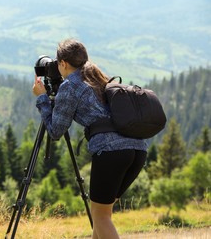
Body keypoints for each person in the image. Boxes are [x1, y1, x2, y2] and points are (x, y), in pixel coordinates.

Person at [32, 38, 148, 239]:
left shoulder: (70, 86)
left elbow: (55, 131)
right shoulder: (98, 78)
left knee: (101, 218)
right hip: (137, 150)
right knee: (102, 214)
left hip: (111, 153)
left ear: (63, 64)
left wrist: (42, 98)